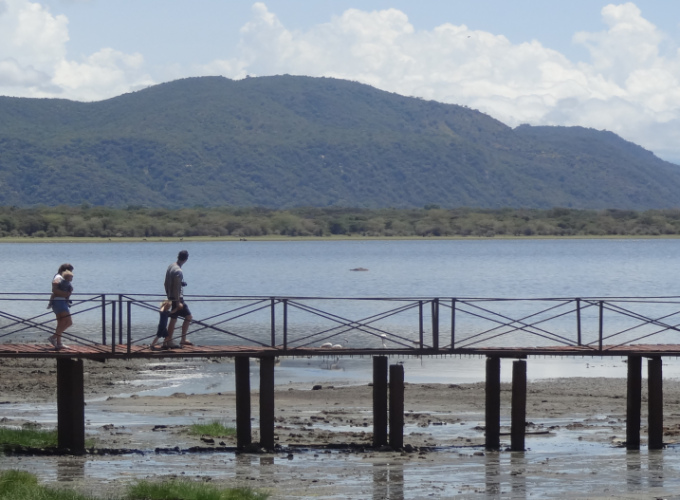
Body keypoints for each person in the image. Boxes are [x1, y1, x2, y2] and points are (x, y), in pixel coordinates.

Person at [163, 250, 193, 348]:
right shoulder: (178, 271)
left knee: (173, 319)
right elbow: (176, 287)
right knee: (188, 317)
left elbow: (166, 283)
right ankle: (180, 340)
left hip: (171, 297)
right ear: (186, 259)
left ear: (178, 256)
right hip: (177, 298)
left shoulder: (171, 266)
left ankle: (168, 340)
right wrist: (178, 302)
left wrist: (169, 296)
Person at [47, 263, 74, 350]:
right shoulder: (59, 277)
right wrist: (66, 294)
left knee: (61, 323)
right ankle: (53, 338)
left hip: (57, 302)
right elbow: (54, 288)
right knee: (69, 322)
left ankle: (59, 343)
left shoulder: (59, 276)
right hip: (59, 302)